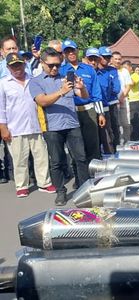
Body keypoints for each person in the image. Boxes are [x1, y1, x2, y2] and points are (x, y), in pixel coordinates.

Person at [29, 47, 90, 205]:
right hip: (52, 127)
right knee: (57, 161)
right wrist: (61, 92)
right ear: (42, 63)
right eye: (51, 65)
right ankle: (61, 191)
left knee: (81, 158)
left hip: (72, 123)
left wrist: (82, 88)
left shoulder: (67, 77)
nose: (55, 68)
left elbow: (84, 97)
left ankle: (84, 189)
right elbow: (42, 101)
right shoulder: (35, 82)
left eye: (58, 64)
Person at [0, 53, 55, 197]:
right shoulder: (3, 83)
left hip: (36, 125)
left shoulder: (33, 80)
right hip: (15, 128)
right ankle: (22, 186)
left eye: (19, 64)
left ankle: (45, 183)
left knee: (41, 157)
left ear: (24, 64)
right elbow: (1, 108)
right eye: (13, 66)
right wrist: (3, 127)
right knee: (19, 160)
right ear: (8, 67)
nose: (17, 68)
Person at [59, 41, 105, 175]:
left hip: (88, 110)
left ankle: (95, 174)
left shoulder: (88, 69)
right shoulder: (61, 71)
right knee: (75, 146)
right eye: (67, 51)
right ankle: (80, 176)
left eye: (73, 50)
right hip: (70, 111)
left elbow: (96, 93)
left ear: (77, 51)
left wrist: (100, 113)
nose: (71, 53)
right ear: (64, 54)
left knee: (92, 143)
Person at [96, 46, 121, 154]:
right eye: (104, 57)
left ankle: (114, 151)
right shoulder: (94, 70)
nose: (106, 59)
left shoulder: (112, 70)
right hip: (96, 104)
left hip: (110, 103)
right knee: (97, 132)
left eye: (108, 57)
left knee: (112, 130)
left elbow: (116, 88)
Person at [111, 52, 132, 145]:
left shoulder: (124, 71)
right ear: (111, 59)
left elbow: (128, 85)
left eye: (119, 59)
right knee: (116, 124)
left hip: (123, 100)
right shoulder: (109, 70)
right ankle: (117, 143)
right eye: (115, 59)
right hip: (112, 101)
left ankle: (127, 142)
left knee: (126, 123)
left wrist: (122, 97)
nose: (117, 61)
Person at [126, 63, 139, 141]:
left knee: (134, 120)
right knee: (130, 121)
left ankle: (136, 138)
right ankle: (132, 137)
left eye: (126, 68)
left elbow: (132, 83)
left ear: (131, 68)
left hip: (135, 100)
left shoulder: (135, 75)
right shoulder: (129, 76)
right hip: (129, 100)